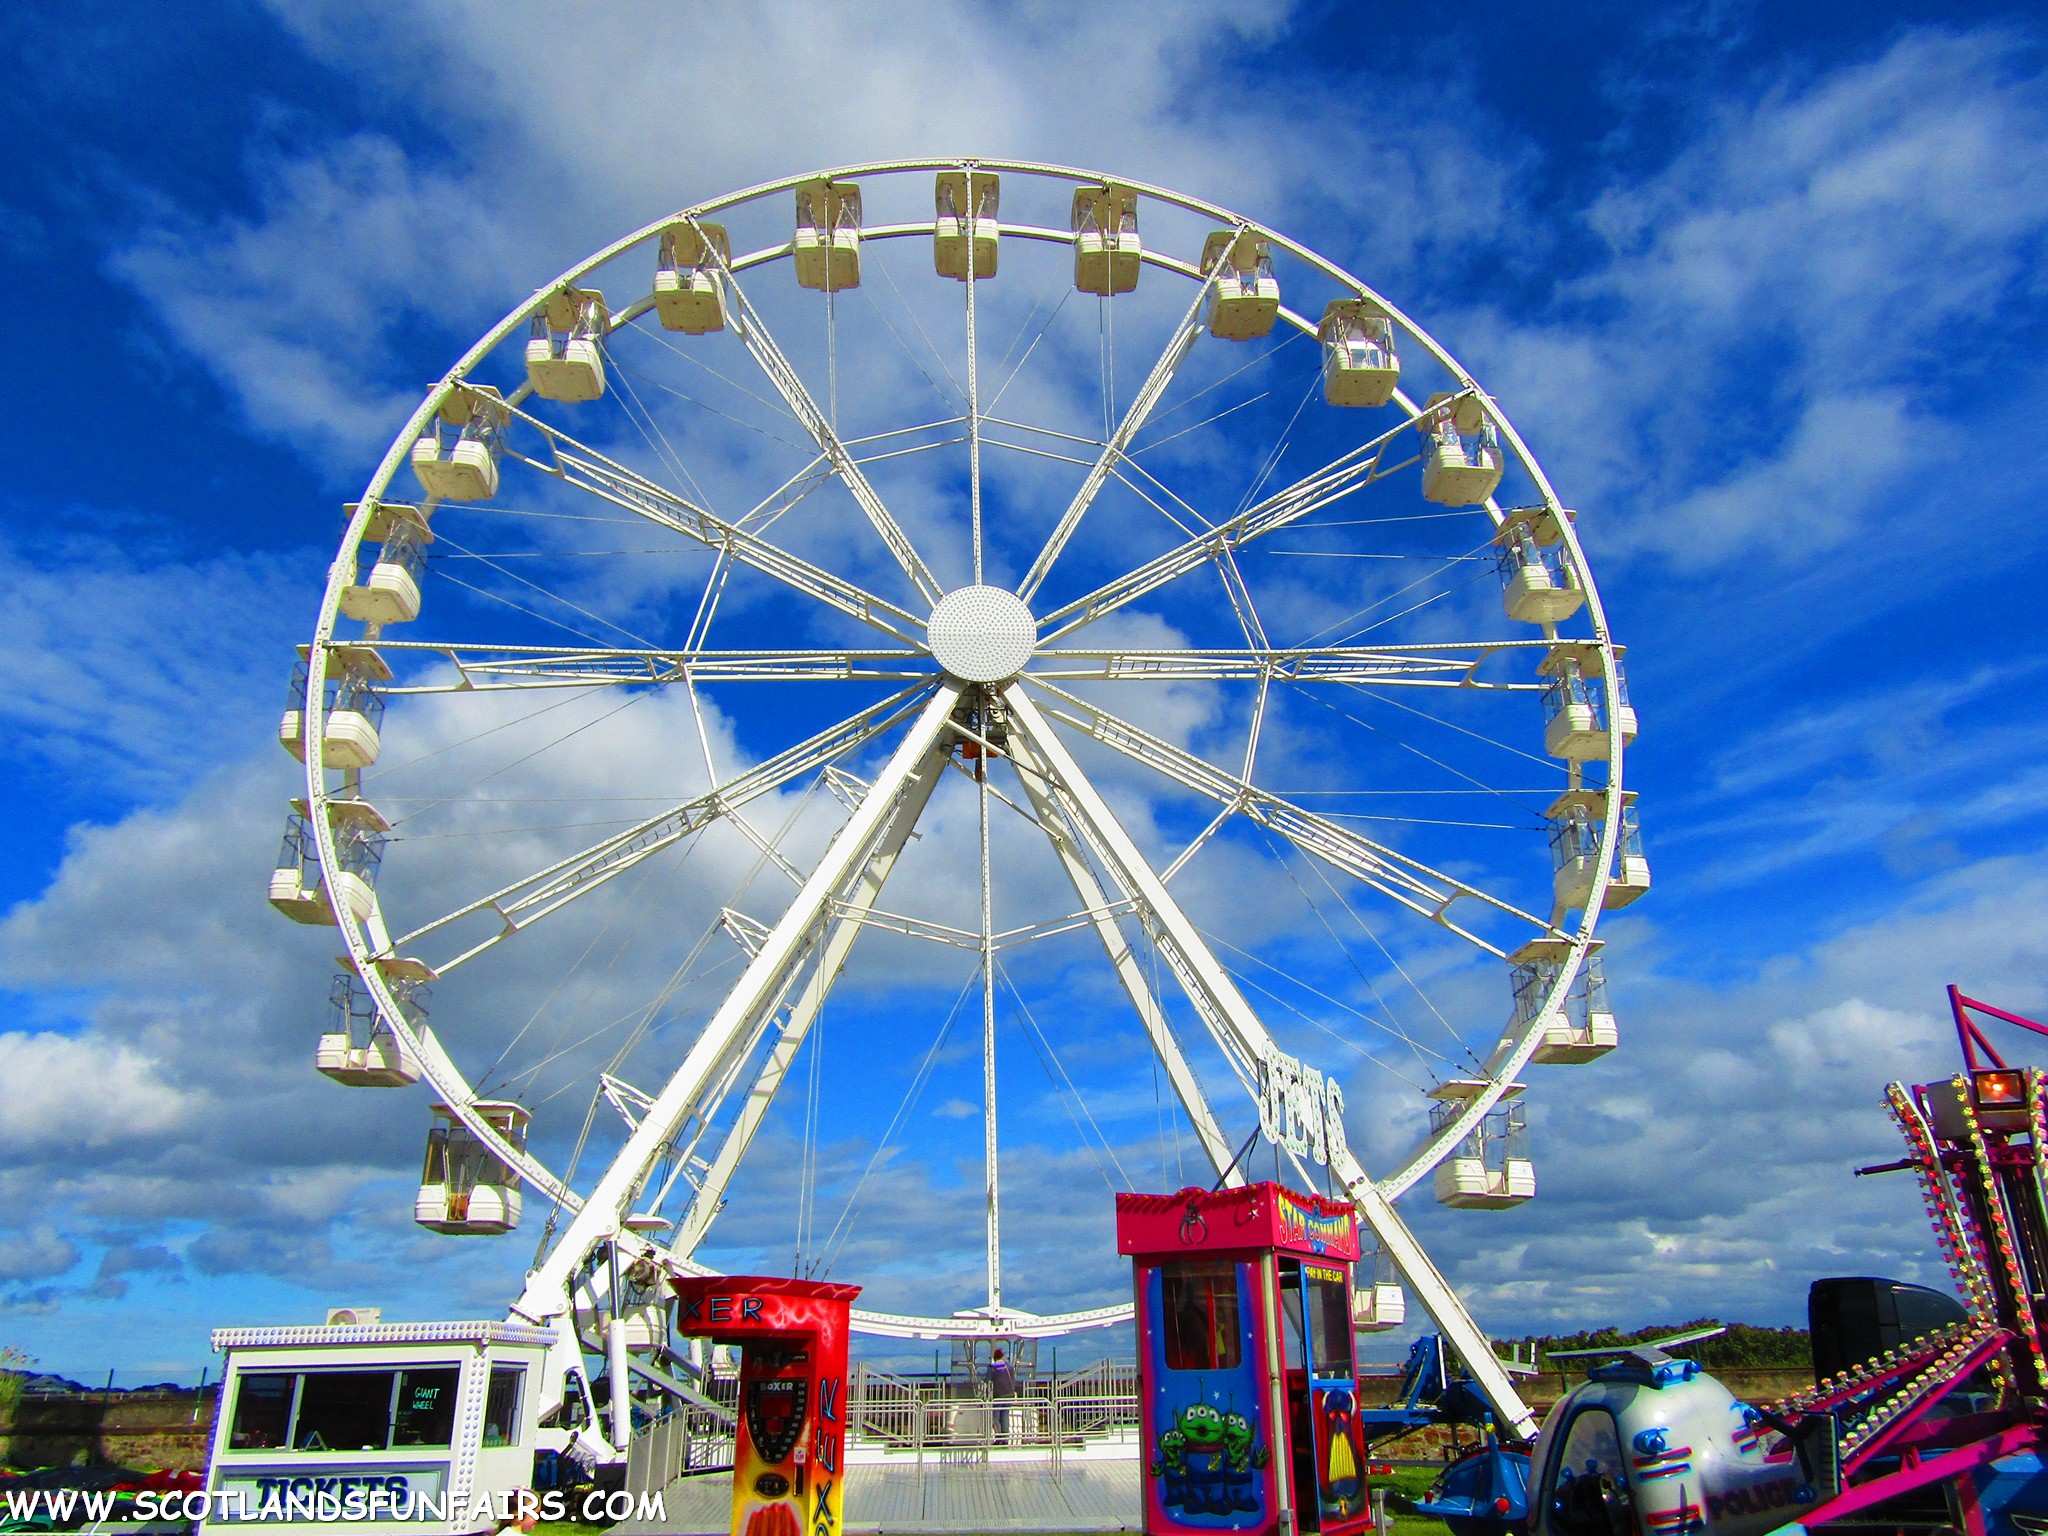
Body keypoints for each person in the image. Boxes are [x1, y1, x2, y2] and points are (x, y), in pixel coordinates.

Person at [988, 1347, 1017, 1439]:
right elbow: (1013, 1380)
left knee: (995, 1416)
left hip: (998, 1395)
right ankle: (1005, 1438)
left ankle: (999, 1436)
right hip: (1009, 1394)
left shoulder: (992, 1367)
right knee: (1005, 1416)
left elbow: (987, 1380)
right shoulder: (1009, 1367)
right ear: (1002, 1357)